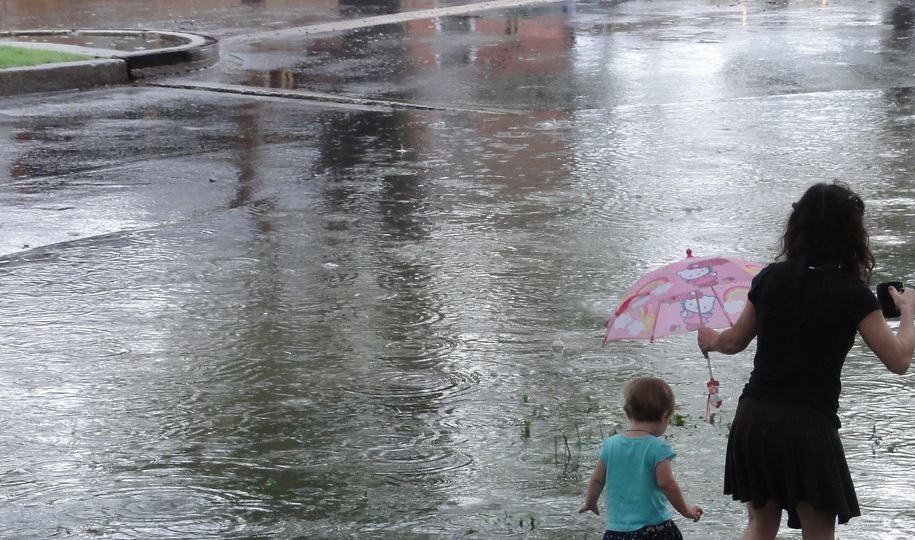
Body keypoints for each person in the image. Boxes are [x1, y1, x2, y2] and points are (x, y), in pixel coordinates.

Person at [698, 181, 914, 539]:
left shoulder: (770, 278)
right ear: (852, 235)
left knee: (760, 525)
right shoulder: (852, 293)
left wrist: (711, 340)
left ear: (797, 228)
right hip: (808, 426)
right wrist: (907, 311)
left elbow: (734, 341)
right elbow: (899, 359)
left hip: (755, 419)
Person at [578, 377, 703, 539]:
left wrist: (590, 502)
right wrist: (686, 510)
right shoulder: (658, 447)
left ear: (628, 412)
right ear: (665, 415)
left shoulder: (610, 445)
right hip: (654, 529)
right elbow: (667, 483)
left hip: (617, 531)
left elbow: (597, 480)